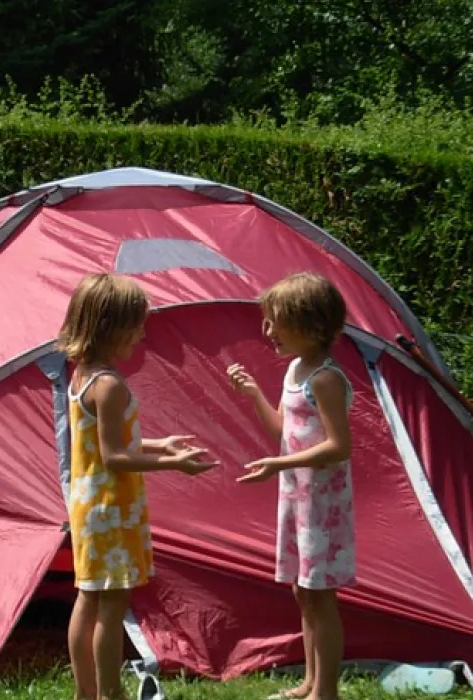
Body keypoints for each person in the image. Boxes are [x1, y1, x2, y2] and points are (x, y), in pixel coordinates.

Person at [58, 273, 217, 700]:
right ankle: (111, 692)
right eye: (136, 326)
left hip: (91, 502)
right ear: (112, 329)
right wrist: (173, 464)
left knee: (88, 598)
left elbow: (101, 445)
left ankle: (85, 693)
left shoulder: (82, 377)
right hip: (112, 505)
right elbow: (115, 458)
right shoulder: (108, 385)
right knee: (111, 605)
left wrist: (159, 443)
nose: (142, 334)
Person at [228, 272, 356, 700]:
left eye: (276, 321)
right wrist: (253, 396)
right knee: (304, 592)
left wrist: (277, 463)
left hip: (323, 504)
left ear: (312, 325)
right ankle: (309, 682)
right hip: (297, 497)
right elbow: (282, 427)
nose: (268, 331)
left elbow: (339, 447)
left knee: (321, 597)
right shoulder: (295, 370)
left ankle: (327, 692)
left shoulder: (326, 379)